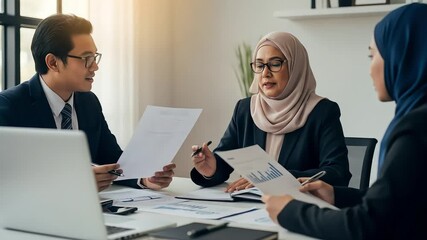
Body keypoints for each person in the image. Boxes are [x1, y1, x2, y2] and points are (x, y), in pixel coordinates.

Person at [262, 3, 427, 239]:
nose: (370, 69)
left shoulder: (416, 130)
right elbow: (398, 205)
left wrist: (290, 212)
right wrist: (337, 196)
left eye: (373, 55)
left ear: (403, 54)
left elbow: (367, 225)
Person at [0, 14, 175, 192]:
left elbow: (111, 158)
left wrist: (145, 178)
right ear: (53, 62)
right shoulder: (9, 107)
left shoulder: (88, 102)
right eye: (86, 58)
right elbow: (9, 180)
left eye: (94, 57)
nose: (95, 66)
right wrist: (75, 182)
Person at [191, 32, 351, 192]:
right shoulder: (246, 109)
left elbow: (337, 173)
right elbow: (224, 162)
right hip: (248, 206)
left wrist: (278, 179)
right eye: (259, 65)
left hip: (297, 208)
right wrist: (211, 169)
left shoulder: (321, 111)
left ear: (296, 66)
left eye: (275, 64)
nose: (265, 73)